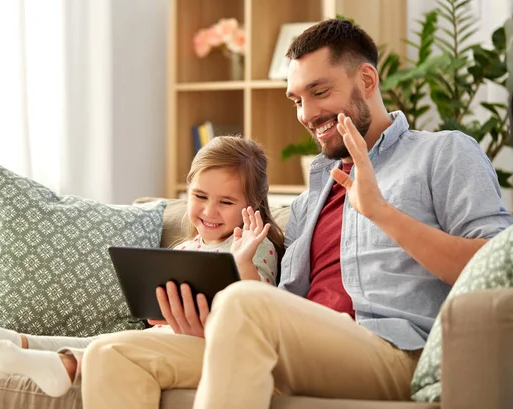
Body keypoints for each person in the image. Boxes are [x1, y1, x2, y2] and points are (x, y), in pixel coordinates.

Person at [80, 19, 513, 409]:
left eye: (319, 92)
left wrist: (382, 212)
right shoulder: (314, 193)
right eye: (296, 100)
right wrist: (216, 329)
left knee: (245, 306)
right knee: (112, 354)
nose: (306, 114)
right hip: (298, 348)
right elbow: (280, 305)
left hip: (393, 351)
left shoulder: (443, 153)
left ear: (366, 79)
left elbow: (495, 264)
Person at [0, 135, 284, 398]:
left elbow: (257, 307)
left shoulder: (256, 247)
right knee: (105, 341)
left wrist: (243, 260)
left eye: (226, 202)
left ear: (251, 206)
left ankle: (64, 366)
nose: (209, 211)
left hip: (206, 343)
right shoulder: (186, 247)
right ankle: (18, 342)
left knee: (113, 347)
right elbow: (156, 316)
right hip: (169, 334)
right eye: (199, 196)